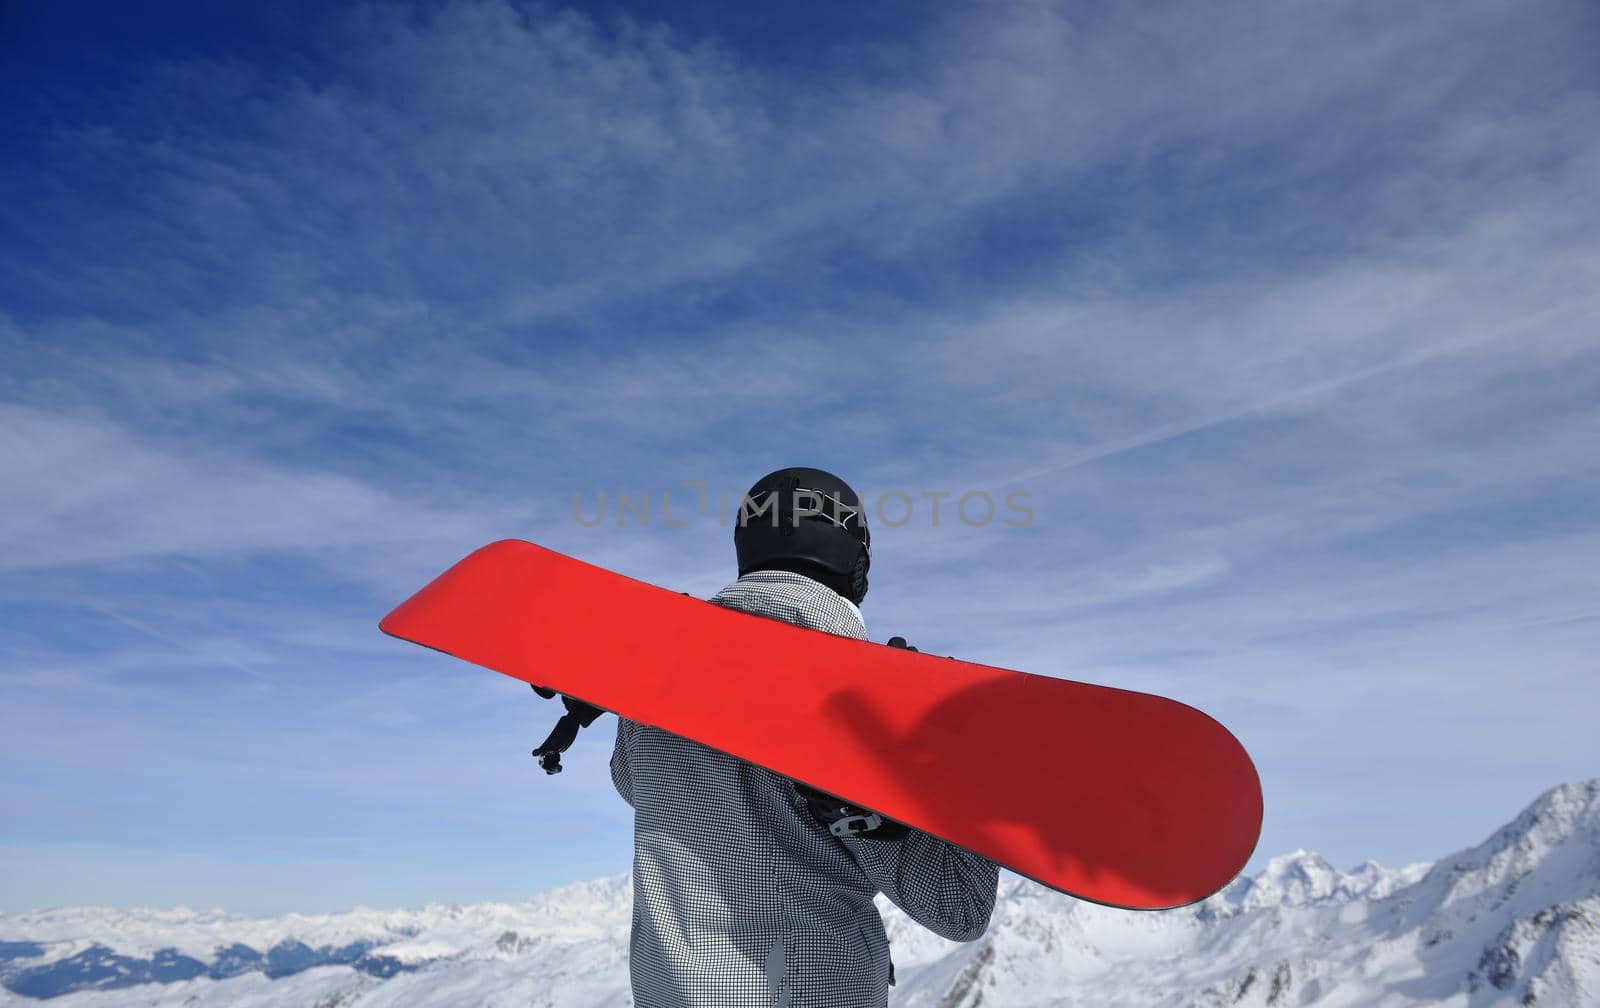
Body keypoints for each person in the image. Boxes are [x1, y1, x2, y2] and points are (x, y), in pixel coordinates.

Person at [604, 466, 1000, 1008]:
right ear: (856, 565)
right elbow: (959, 907)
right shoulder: (878, 702)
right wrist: (916, 798)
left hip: (669, 990)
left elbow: (630, 783)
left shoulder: (653, 676)